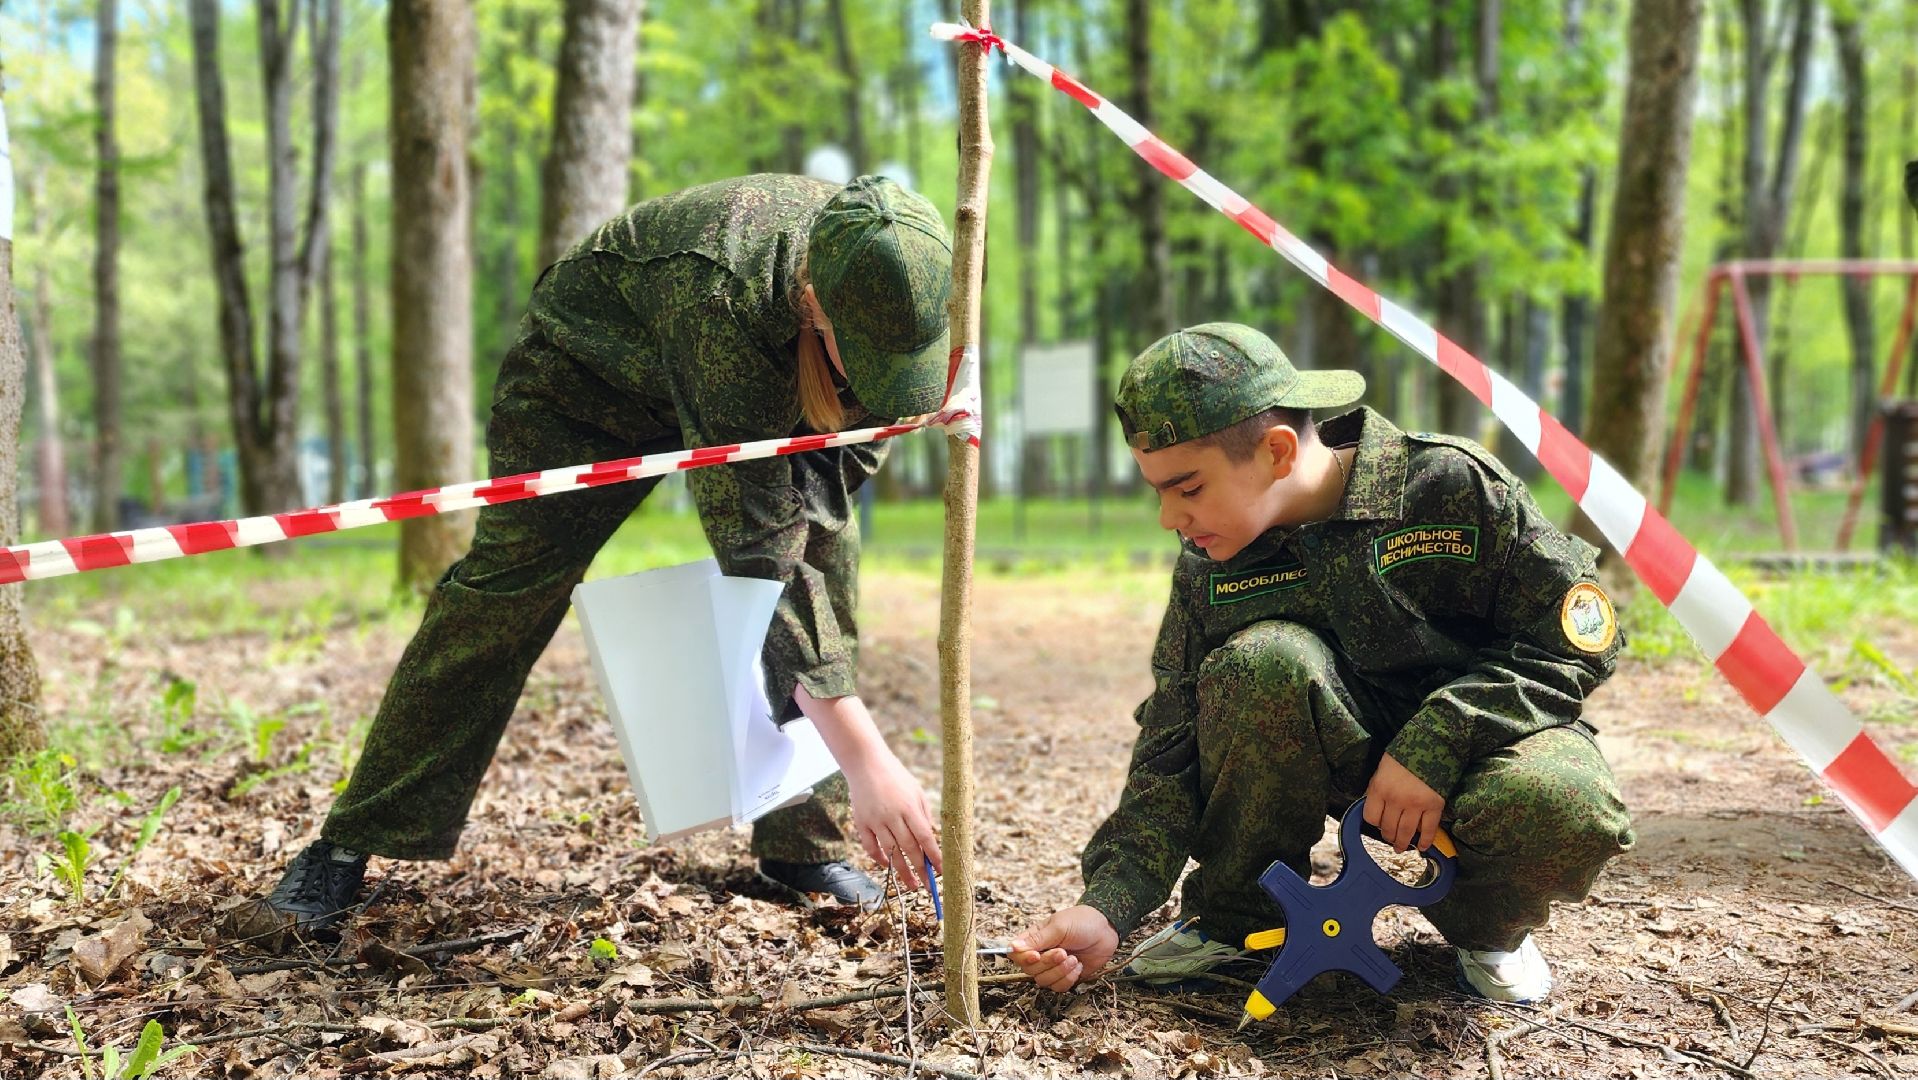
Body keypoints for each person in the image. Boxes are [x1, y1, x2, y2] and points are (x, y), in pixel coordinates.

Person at [252, 175, 953, 935]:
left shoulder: (904, 264)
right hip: (586, 386)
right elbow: (760, 554)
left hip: (766, 377)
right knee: (504, 595)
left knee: (825, 567)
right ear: (815, 304)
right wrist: (869, 759)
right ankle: (354, 837)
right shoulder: (720, 293)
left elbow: (853, 461)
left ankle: (799, 847)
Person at [1009, 323, 1634, 1004]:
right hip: (1341, 753)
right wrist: (1108, 907)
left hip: (1485, 751)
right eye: (1157, 490)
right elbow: (1172, 739)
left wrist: (1438, 740)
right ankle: (1233, 918)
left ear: (1277, 451)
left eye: (1186, 488)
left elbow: (1578, 637)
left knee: (1566, 804)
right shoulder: (1212, 563)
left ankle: (1487, 929)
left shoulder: (1448, 486)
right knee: (1261, 662)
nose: (1168, 517)